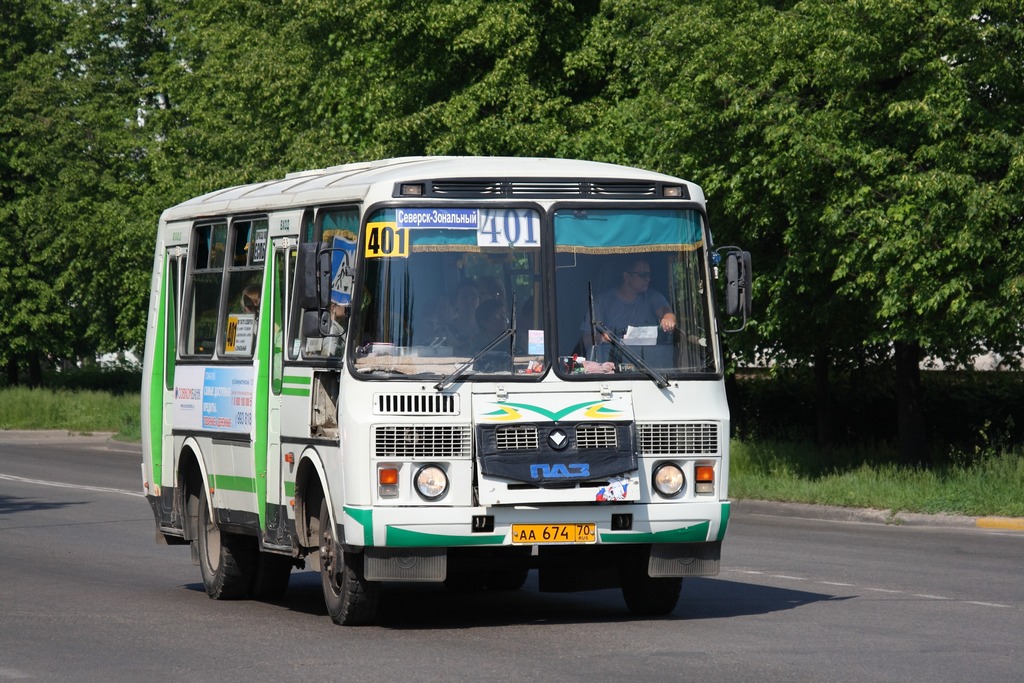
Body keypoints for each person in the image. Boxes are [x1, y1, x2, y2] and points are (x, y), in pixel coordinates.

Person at [581, 258, 676, 353]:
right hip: (612, 362)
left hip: (647, 364)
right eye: (642, 274)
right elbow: (586, 339)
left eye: (649, 274)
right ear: (626, 277)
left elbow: (666, 311)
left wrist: (668, 319)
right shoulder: (602, 302)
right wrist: (601, 337)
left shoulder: (652, 297)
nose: (648, 279)